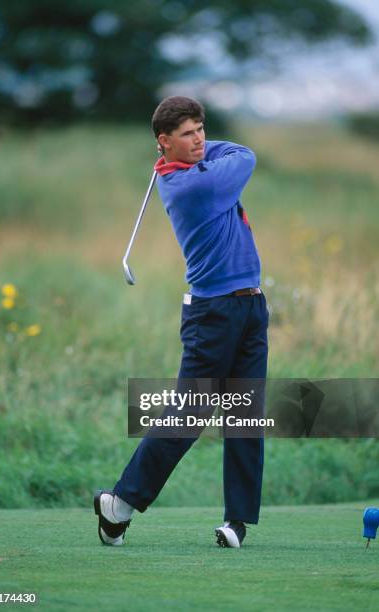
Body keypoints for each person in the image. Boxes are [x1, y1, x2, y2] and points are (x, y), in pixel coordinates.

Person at [94, 96, 269, 548]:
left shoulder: (194, 170)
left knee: (246, 416)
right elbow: (244, 156)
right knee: (189, 413)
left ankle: (238, 522)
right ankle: (121, 503)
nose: (198, 140)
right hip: (213, 313)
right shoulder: (192, 188)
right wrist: (204, 156)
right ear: (163, 142)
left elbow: (223, 155)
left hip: (251, 304)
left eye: (201, 130)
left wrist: (196, 153)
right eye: (187, 134)